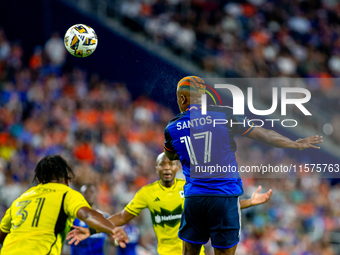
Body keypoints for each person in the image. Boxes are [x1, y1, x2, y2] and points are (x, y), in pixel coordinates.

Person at [163, 76, 323, 255]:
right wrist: (294, 144)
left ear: (183, 99)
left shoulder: (172, 127)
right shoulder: (224, 115)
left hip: (195, 199)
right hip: (225, 198)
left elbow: (170, 155)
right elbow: (264, 134)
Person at [66, 152, 272, 255]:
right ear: (156, 169)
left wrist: (251, 202)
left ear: (176, 167)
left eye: (170, 164)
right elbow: (121, 217)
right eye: (162, 164)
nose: (166, 168)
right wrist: (92, 231)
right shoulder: (147, 193)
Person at [0, 155, 129, 255]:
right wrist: (113, 229)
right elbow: (87, 214)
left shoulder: (20, 199)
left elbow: (2, 234)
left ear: (39, 180)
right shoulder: (66, 193)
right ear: (66, 179)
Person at [70, 184, 110, 255]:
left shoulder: (104, 217)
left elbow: (113, 240)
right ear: (81, 195)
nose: (89, 194)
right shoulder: (73, 218)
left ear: (96, 194)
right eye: (85, 192)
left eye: (91, 192)